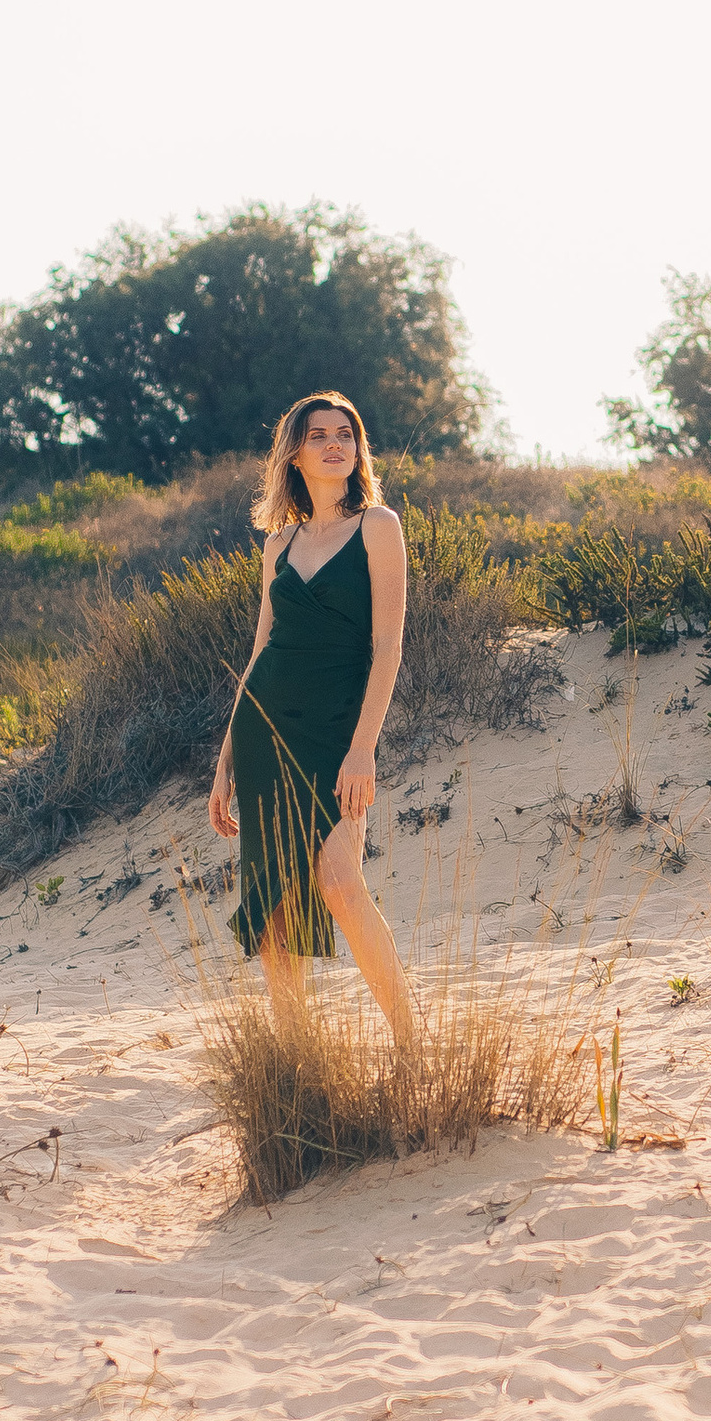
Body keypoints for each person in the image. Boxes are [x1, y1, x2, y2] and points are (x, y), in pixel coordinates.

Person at [209, 393, 415, 1045]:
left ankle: (413, 1044)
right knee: (273, 912)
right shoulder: (278, 545)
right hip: (266, 733)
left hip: (338, 732)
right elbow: (258, 654)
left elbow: (388, 646)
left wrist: (363, 747)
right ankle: (298, 1062)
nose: (335, 444)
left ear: (358, 450)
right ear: (294, 453)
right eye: (319, 435)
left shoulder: (378, 526)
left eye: (345, 434)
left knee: (339, 882)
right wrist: (225, 764)